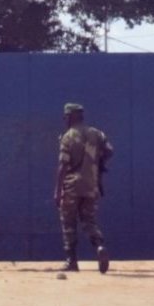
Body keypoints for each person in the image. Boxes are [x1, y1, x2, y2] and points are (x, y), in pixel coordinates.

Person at [54, 101, 112, 274]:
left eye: (66, 116)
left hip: (72, 186)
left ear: (71, 117)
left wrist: (57, 190)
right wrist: (97, 162)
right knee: (89, 221)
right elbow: (109, 150)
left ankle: (71, 261)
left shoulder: (68, 136)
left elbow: (63, 165)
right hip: (91, 184)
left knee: (69, 223)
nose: (64, 119)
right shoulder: (96, 133)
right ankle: (100, 246)